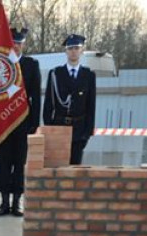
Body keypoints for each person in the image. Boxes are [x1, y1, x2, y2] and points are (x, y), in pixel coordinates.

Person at [0, 27, 41, 217]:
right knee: (4, 162)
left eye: (19, 43)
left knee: (19, 163)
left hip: (23, 123)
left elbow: (36, 96)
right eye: (13, 43)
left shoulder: (31, 65)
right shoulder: (1, 64)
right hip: (4, 122)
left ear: (23, 44)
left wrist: (34, 124)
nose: (16, 46)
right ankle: (4, 202)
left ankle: (16, 203)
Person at [42, 34, 96, 165]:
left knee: (75, 168)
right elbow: (48, 103)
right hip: (59, 126)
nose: (73, 51)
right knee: (57, 167)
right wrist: (49, 127)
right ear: (66, 51)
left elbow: (91, 105)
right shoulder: (56, 74)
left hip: (79, 129)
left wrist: (87, 133)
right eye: (70, 48)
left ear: (82, 50)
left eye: (76, 48)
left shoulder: (88, 75)